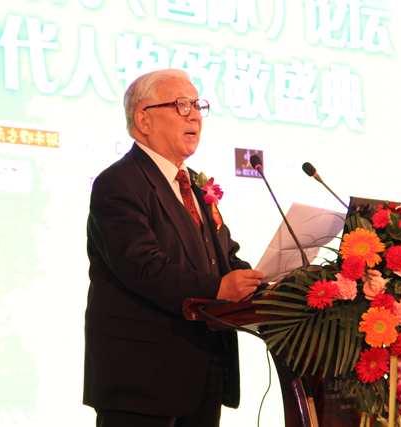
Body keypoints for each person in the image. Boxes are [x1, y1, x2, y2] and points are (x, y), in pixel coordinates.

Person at [83, 68, 265, 427]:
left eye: (198, 105)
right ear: (144, 120)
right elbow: (144, 267)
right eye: (182, 105)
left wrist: (272, 284)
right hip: (142, 378)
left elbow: (224, 258)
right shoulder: (119, 183)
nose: (195, 115)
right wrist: (219, 288)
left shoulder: (193, 185)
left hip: (203, 370)